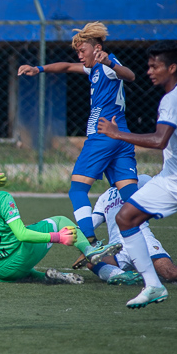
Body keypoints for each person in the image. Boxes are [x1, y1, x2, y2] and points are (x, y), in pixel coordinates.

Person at [17, 22, 138, 246]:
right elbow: (65, 67)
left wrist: (109, 62)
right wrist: (39, 69)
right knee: (129, 193)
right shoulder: (95, 67)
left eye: (82, 51)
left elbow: (129, 76)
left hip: (103, 135)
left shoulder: (107, 64)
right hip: (121, 136)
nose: (80, 56)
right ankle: (145, 242)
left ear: (97, 48)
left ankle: (89, 242)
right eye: (78, 52)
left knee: (78, 190)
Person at [98, 40, 177, 308]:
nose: (149, 71)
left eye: (154, 66)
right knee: (126, 217)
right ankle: (153, 286)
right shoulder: (175, 96)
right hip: (170, 177)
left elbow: (160, 140)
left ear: (172, 67)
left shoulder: (175, 97)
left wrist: (117, 134)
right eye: (148, 66)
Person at [0, 160, 115, 285]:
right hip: (19, 258)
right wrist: (58, 237)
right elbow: (22, 234)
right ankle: (90, 250)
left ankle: (51, 278)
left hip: (0, 271)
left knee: (27, 272)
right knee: (59, 220)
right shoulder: (2, 197)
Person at [82, 174, 177, 286]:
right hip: (118, 249)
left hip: (142, 240)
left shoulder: (141, 180)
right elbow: (90, 224)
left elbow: (169, 191)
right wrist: (85, 247)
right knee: (91, 262)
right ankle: (120, 275)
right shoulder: (104, 197)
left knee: (171, 273)